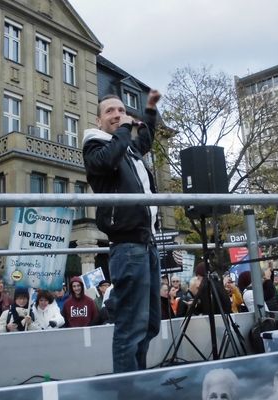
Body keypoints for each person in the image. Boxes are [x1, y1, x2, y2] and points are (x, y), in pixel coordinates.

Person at [82, 89, 162, 372]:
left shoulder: (128, 148)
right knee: (130, 327)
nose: (117, 115)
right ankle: (126, 388)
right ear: (99, 120)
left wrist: (150, 110)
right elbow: (108, 160)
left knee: (151, 324)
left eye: (121, 110)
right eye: (110, 112)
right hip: (127, 247)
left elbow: (146, 141)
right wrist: (126, 128)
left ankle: (136, 380)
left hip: (147, 244)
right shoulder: (95, 146)